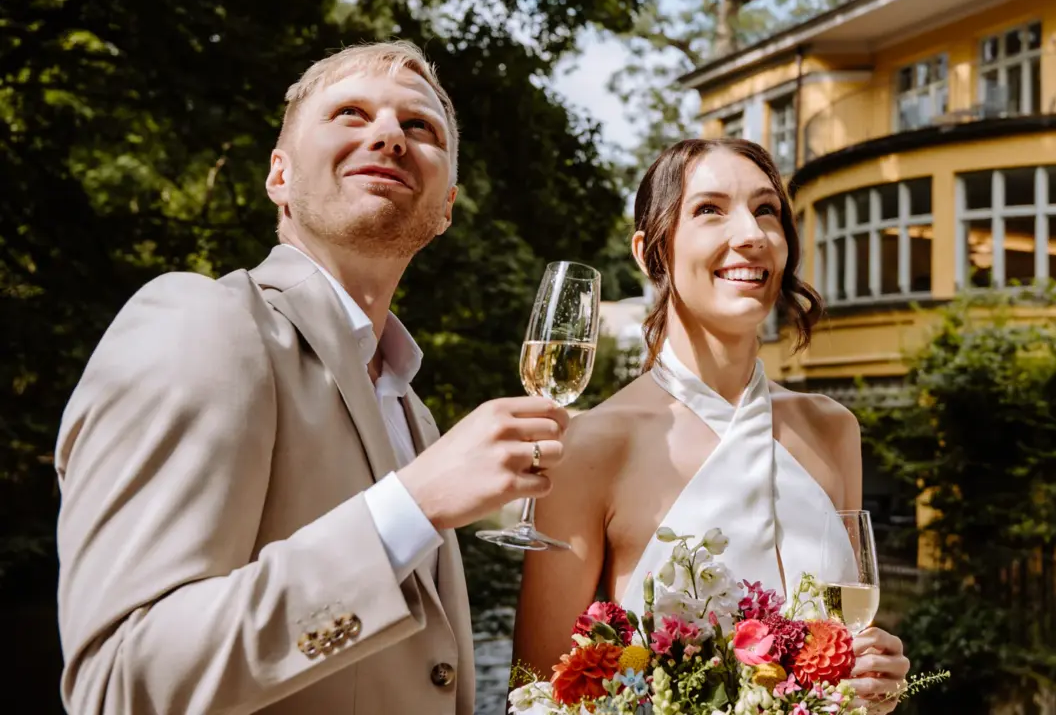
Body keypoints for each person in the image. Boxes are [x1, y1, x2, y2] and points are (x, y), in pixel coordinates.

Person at [55, 41, 569, 715]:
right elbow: (119, 684)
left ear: (446, 205)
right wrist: (409, 508)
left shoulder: (412, 409)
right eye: (351, 114)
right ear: (279, 176)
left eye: (420, 127)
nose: (388, 134)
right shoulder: (203, 322)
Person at [514, 138, 910, 713]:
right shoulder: (592, 444)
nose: (750, 234)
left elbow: (839, 641)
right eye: (710, 209)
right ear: (653, 253)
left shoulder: (832, 429)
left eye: (766, 210)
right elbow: (535, 693)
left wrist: (872, 675)